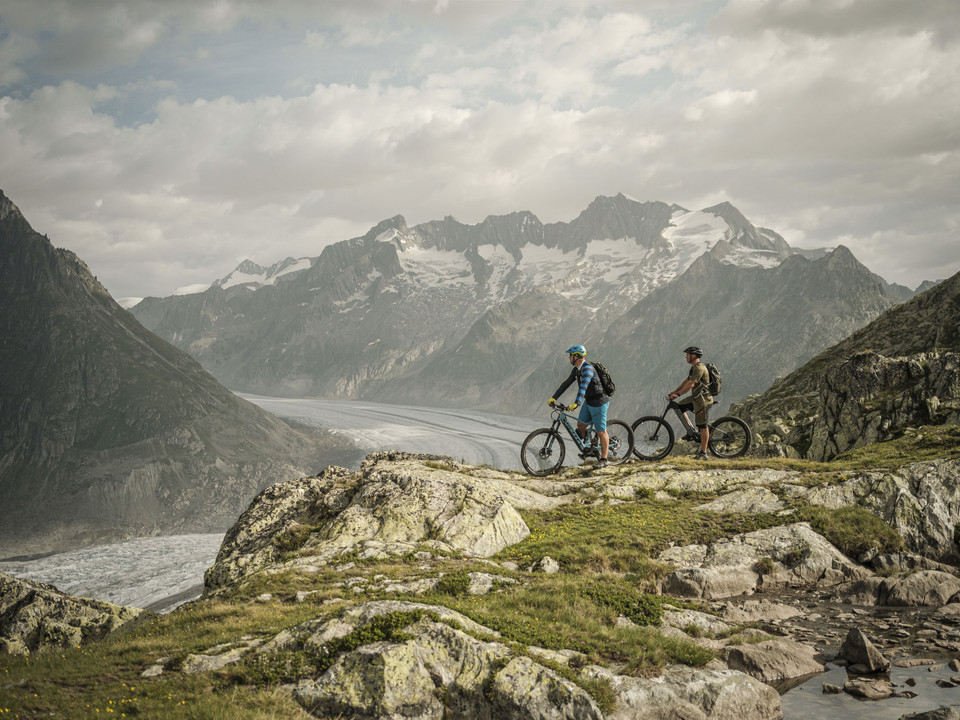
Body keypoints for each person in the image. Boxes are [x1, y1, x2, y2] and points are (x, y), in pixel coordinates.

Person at [548, 344, 611, 468]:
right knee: (581, 425)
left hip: (599, 402)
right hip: (589, 402)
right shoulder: (577, 370)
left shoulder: (587, 369)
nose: (569, 358)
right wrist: (554, 397)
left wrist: (577, 403)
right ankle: (592, 446)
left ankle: (604, 460)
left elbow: (584, 386)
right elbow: (566, 383)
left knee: (601, 431)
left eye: (570, 356)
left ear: (577, 356)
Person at [668, 345, 713, 460]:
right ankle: (691, 431)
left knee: (703, 426)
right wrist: (675, 391)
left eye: (687, 355)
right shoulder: (694, 368)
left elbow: (691, 384)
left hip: (703, 400)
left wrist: (678, 395)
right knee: (680, 406)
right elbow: (686, 381)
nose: (686, 357)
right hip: (696, 398)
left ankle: (703, 453)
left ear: (693, 356)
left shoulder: (699, 368)